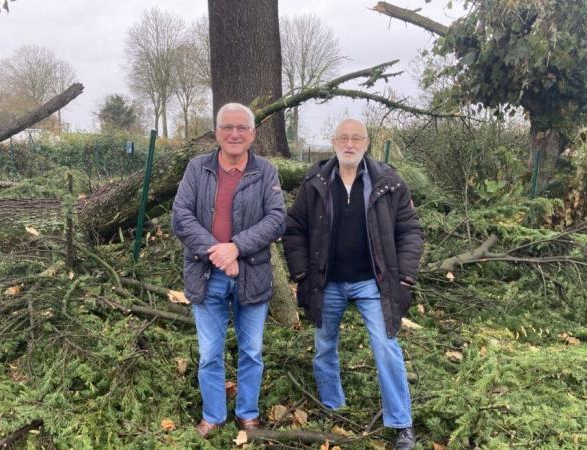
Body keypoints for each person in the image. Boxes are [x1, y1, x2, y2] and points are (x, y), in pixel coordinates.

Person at [282, 118, 423, 450]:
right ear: (333, 143)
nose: (349, 144)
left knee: (386, 348)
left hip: (373, 283)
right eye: (343, 138)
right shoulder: (315, 182)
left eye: (356, 138)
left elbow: (411, 232)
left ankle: (401, 423)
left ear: (366, 142)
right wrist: (302, 276)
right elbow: (294, 230)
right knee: (324, 347)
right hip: (327, 282)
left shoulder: (388, 183)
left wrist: (403, 279)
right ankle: (335, 408)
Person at [171, 103, 285, 438]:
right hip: (205, 275)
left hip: (252, 274)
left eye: (242, 128)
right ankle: (213, 415)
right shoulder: (197, 169)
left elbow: (276, 219)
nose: (234, 134)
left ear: (252, 134)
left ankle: (247, 413)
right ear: (217, 132)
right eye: (227, 127)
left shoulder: (266, 172)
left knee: (251, 351)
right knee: (209, 353)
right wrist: (218, 253)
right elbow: (181, 216)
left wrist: (236, 247)